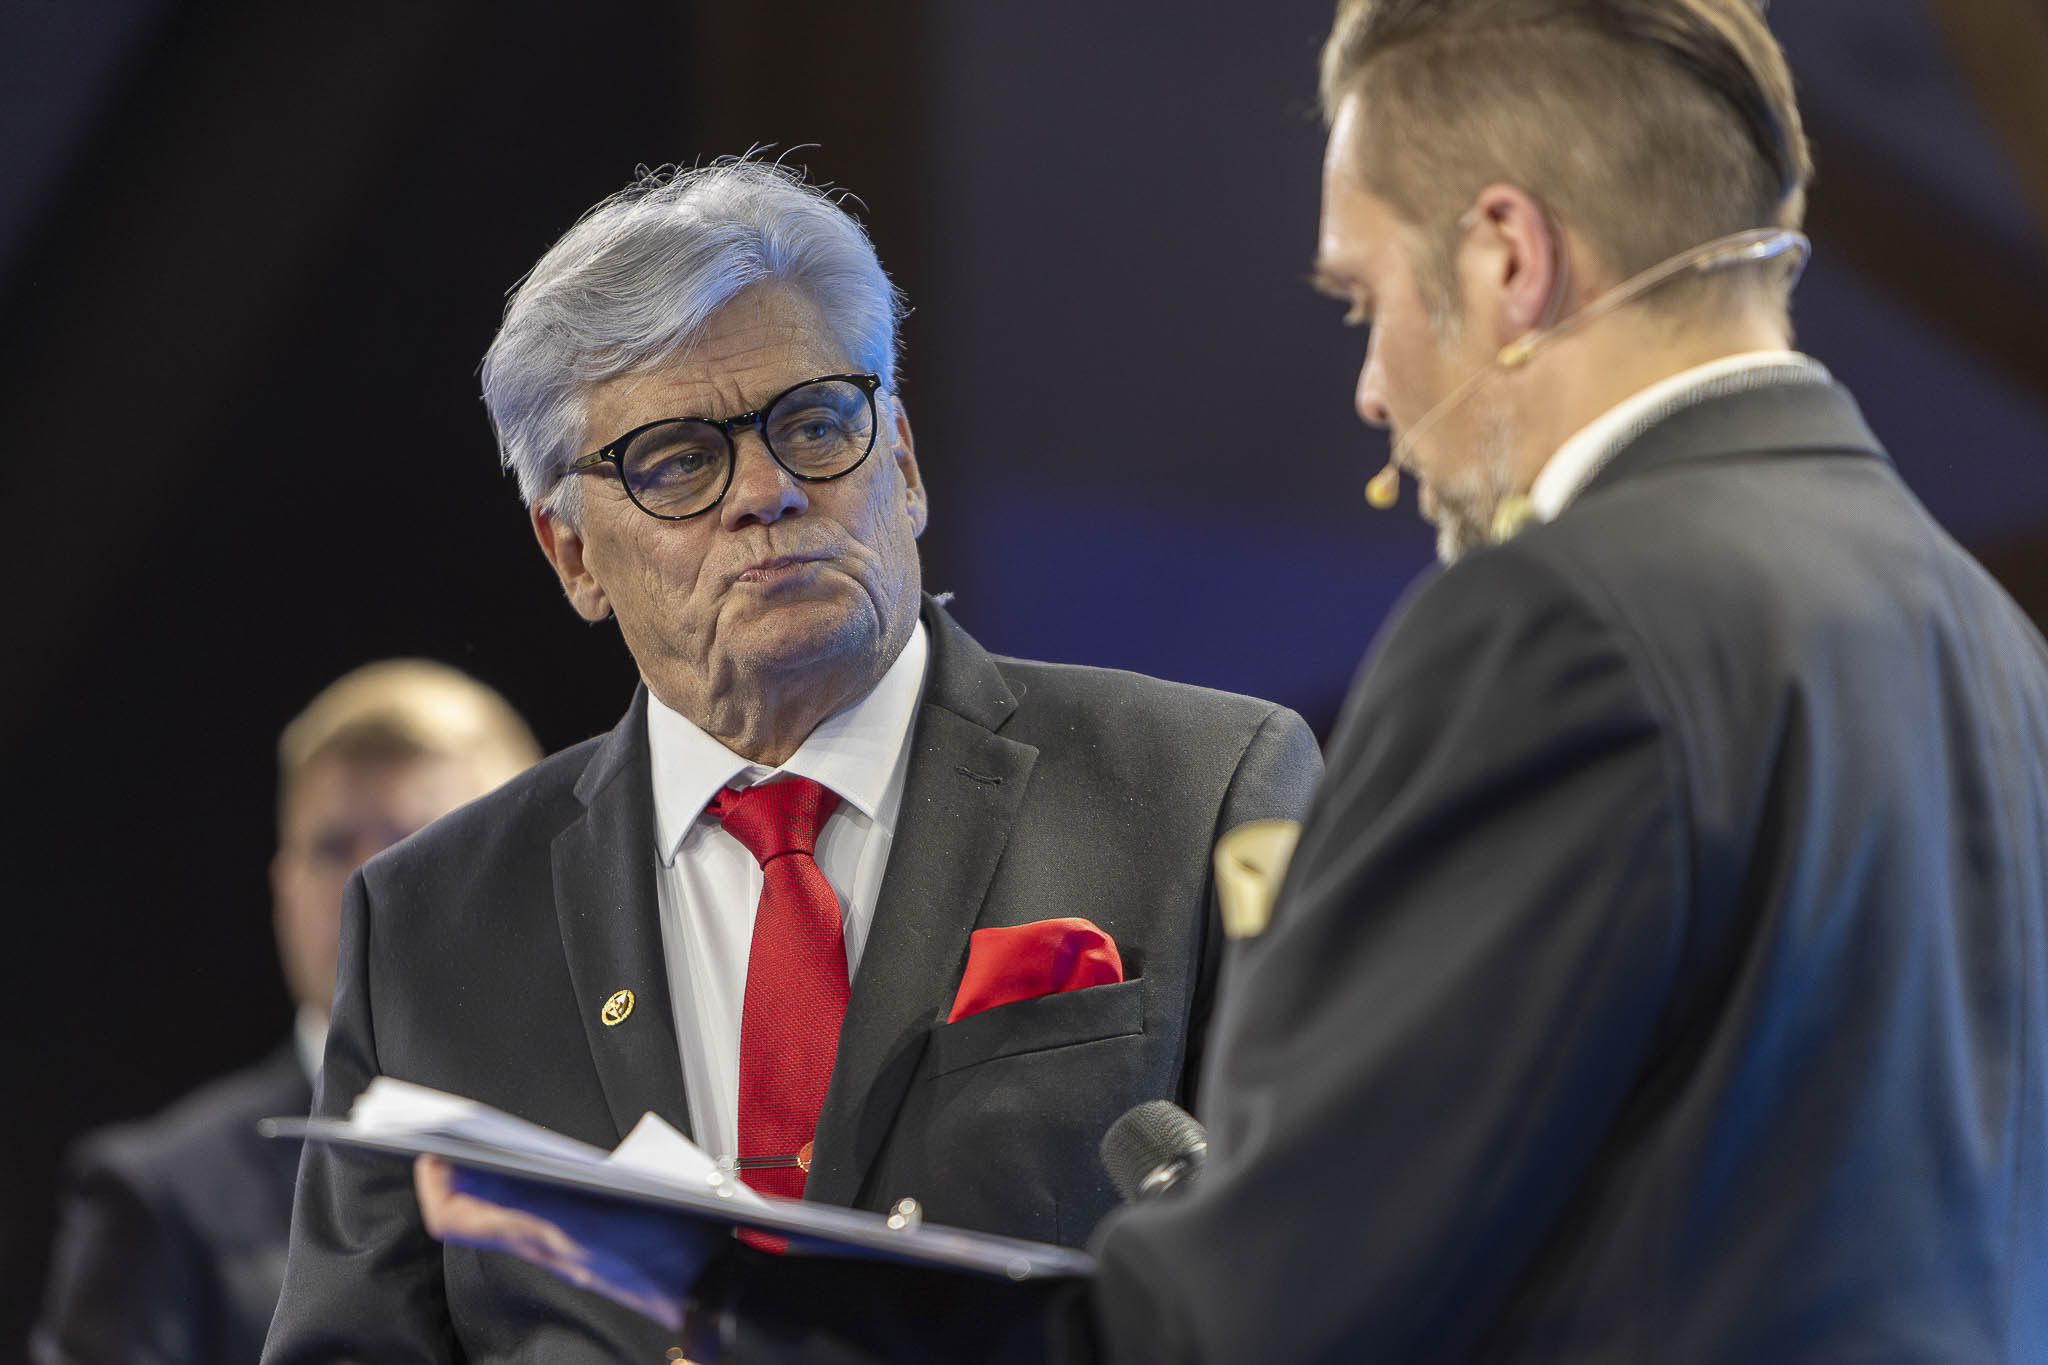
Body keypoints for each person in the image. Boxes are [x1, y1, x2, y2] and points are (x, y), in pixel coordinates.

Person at [426, 2, 2048, 1360]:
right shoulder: (1977, 629)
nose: (1372, 389)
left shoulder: (1561, 621)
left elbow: (1267, 1313)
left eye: (1362, 299)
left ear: (1504, 261)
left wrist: (724, 1291)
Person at [259, 159, 1320, 1363]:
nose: (766, 492)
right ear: (572, 555)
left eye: (814, 425)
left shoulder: (1201, 789)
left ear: (901, 462)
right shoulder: (431, 924)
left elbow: (1342, 1274)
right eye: (675, 461)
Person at [30, 661, 540, 1365]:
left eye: (416, 842)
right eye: (332, 848)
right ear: (283, 887)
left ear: (526, 879)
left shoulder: (630, 1141)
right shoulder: (160, 1200)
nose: (366, 884)